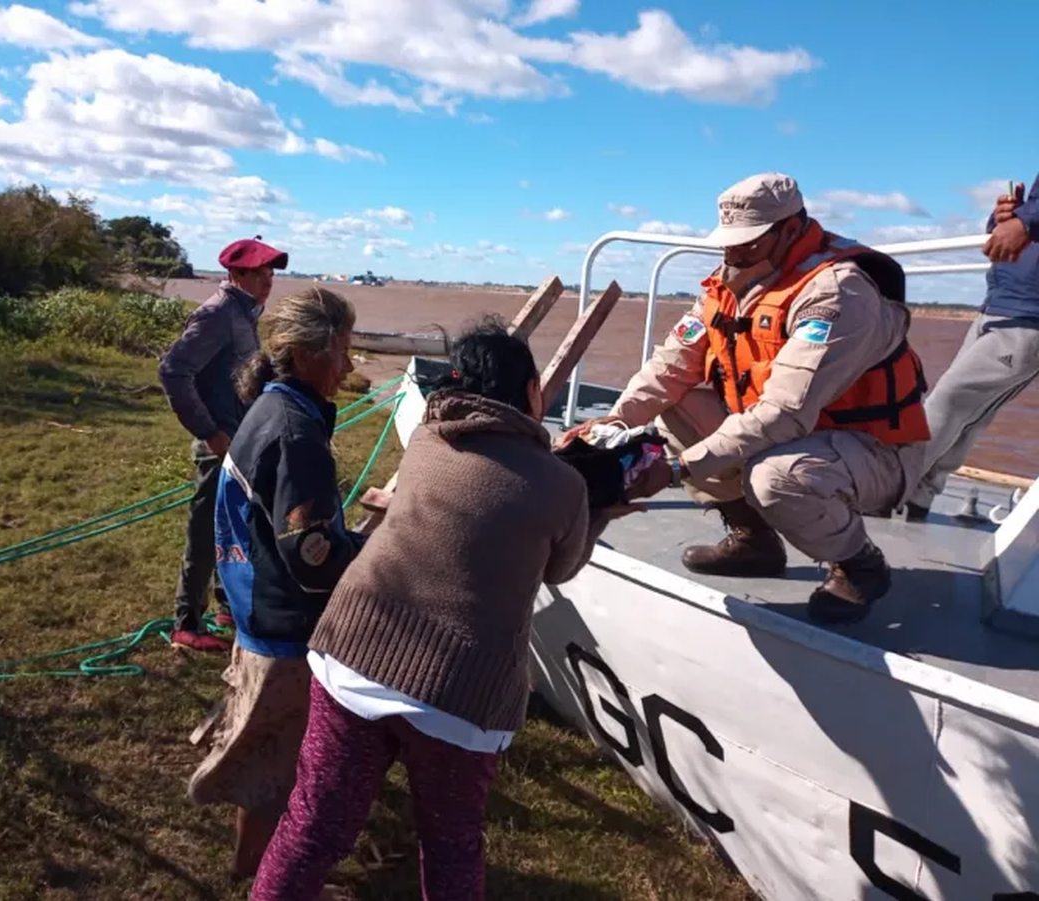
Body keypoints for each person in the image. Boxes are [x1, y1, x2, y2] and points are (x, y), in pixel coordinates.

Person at [247, 316, 651, 901]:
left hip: (353, 656)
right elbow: (559, 568)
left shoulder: (426, 441)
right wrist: (603, 508)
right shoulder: (563, 487)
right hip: (460, 691)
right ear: (532, 391)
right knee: (450, 845)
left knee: (314, 826)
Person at [560, 172, 931, 625]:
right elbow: (669, 367)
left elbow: (783, 413)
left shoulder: (837, 292)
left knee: (775, 477)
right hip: (790, 432)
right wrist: (615, 422)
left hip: (873, 449)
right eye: (728, 243)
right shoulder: (730, 285)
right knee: (675, 405)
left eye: (748, 243)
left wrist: (677, 470)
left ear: (790, 229)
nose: (733, 254)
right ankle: (754, 541)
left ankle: (860, 565)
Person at [187, 286, 365, 886]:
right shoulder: (296, 433)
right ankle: (265, 878)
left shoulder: (268, 406)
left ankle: (250, 869)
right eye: (342, 350)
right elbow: (312, 555)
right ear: (308, 353)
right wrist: (371, 551)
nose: (348, 366)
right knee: (280, 770)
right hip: (286, 626)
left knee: (266, 756)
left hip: (255, 606)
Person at [157, 236, 288, 653]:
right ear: (236, 274)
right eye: (260, 272)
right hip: (220, 444)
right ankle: (186, 624)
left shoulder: (244, 312)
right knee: (204, 532)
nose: (268, 280)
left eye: (270, 273)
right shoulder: (217, 314)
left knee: (232, 526)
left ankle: (225, 606)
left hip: (240, 440)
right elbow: (174, 371)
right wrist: (210, 432)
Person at [903, 174, 1039, 520]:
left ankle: (888, 485)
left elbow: (1030, 224)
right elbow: (1015, 234)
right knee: (967, 412)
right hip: (998, 304)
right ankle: (919, 496)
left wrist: (1026, 220)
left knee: (950, 398)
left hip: (1029, 317)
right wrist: (1007, 217)